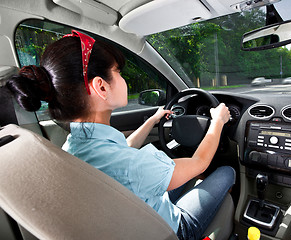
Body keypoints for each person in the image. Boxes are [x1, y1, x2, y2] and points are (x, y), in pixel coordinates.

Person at [6, 30, 235, 240]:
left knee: (184, 178)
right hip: (172, 229)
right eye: (118, 72)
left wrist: (153, 120)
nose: (123, 79)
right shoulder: (131, 167)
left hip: (140, 211)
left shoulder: (74, 147)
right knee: (226, 171)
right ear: (101, 87)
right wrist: (217, 120)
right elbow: (200, 162)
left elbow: (123, 149)